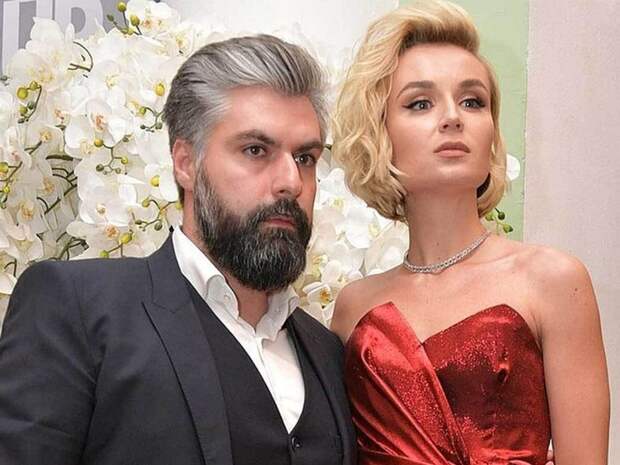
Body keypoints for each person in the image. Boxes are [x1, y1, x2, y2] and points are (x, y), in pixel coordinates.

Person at [0, 35, 356, 465]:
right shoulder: (77, 307)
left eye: (305, 158)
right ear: (186, 163)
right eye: (256, 150)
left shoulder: (327, 351)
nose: (291, 182)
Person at [330, 1, 610, 465]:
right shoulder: (353, 308)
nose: (452, 117)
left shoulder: (552, 280)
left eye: (472, 101)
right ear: (379, 134)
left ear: (492, 132)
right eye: (420, 103)